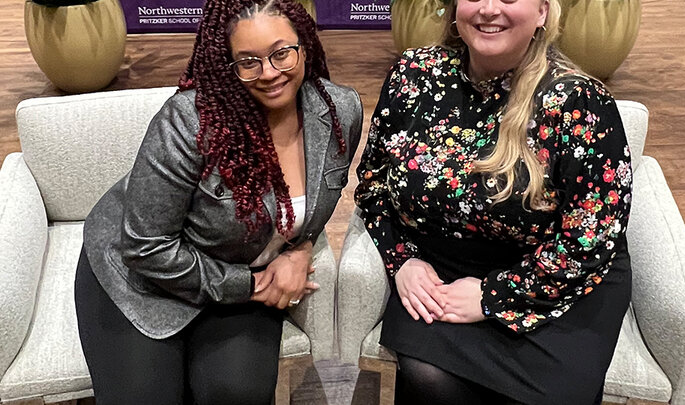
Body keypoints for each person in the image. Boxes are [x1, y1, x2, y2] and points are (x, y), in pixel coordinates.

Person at [74, 1, 362, 404]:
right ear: (225, 63)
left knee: (237, 393)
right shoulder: (189, 122)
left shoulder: (338, 110)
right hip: (144, 277)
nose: (269, 73)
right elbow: (145, 247)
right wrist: (247, 285)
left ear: (305, 44)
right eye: (248, 62)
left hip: (242, 271)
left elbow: (316, 204)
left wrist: (301, 249)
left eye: (282, 52)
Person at [355, 0, 632, 404]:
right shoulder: (413, 74)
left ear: (542, 11)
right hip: (441, 265)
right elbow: (372, 182)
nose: (488, 8)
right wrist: (402, 260)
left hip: (552, 276)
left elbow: (593, 240)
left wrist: (493, 296)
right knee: (429, 377)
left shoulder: (579, 101)